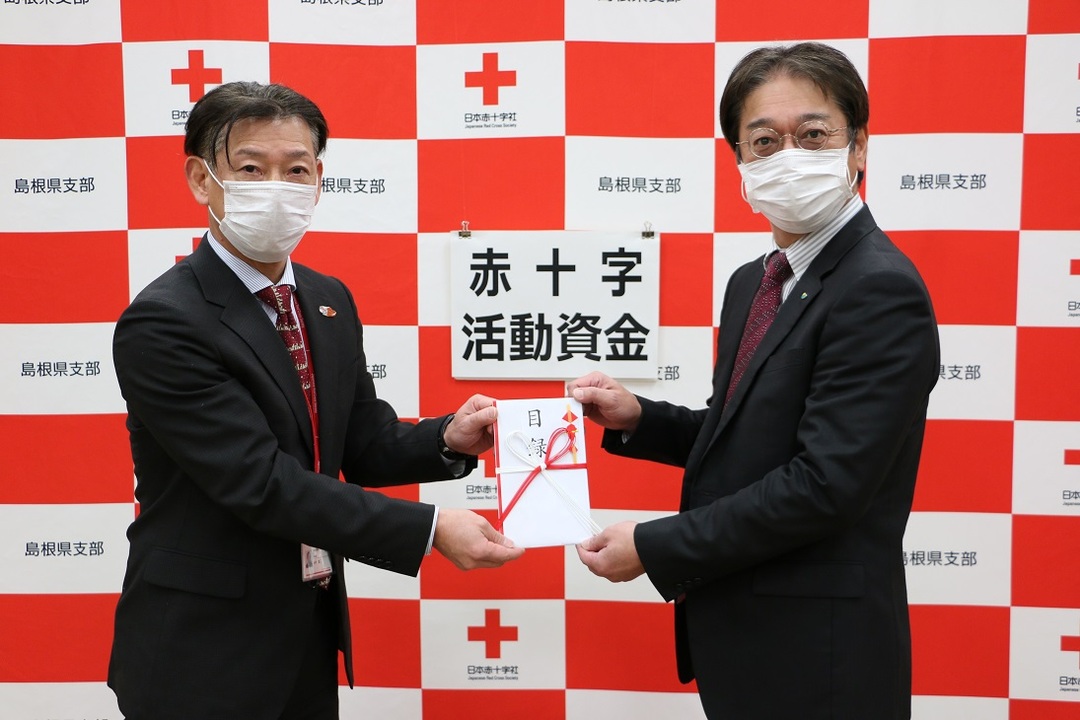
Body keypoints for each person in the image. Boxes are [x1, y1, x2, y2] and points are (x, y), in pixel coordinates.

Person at [108, 81, 524, 720]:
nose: (277, 187)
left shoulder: (327, 298)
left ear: (319, 181)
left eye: (296, 170)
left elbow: (361, 440)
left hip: (305, 632)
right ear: (200, 179)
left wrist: (447, 438)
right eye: (252, 169)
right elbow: (262, 482)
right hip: (202, 649)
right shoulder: (166, 321)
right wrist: (431, 529)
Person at [568, 43, 939, 720]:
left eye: (814, 135)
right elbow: (746, 438)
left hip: (821, 655)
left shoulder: (879, 288)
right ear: (739, 160)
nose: (789, 156)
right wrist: (639, 417)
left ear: (858, 147)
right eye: (764, 141)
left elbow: (824, 486)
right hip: (743, 635)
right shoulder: (755, 282)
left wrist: (654, 546)